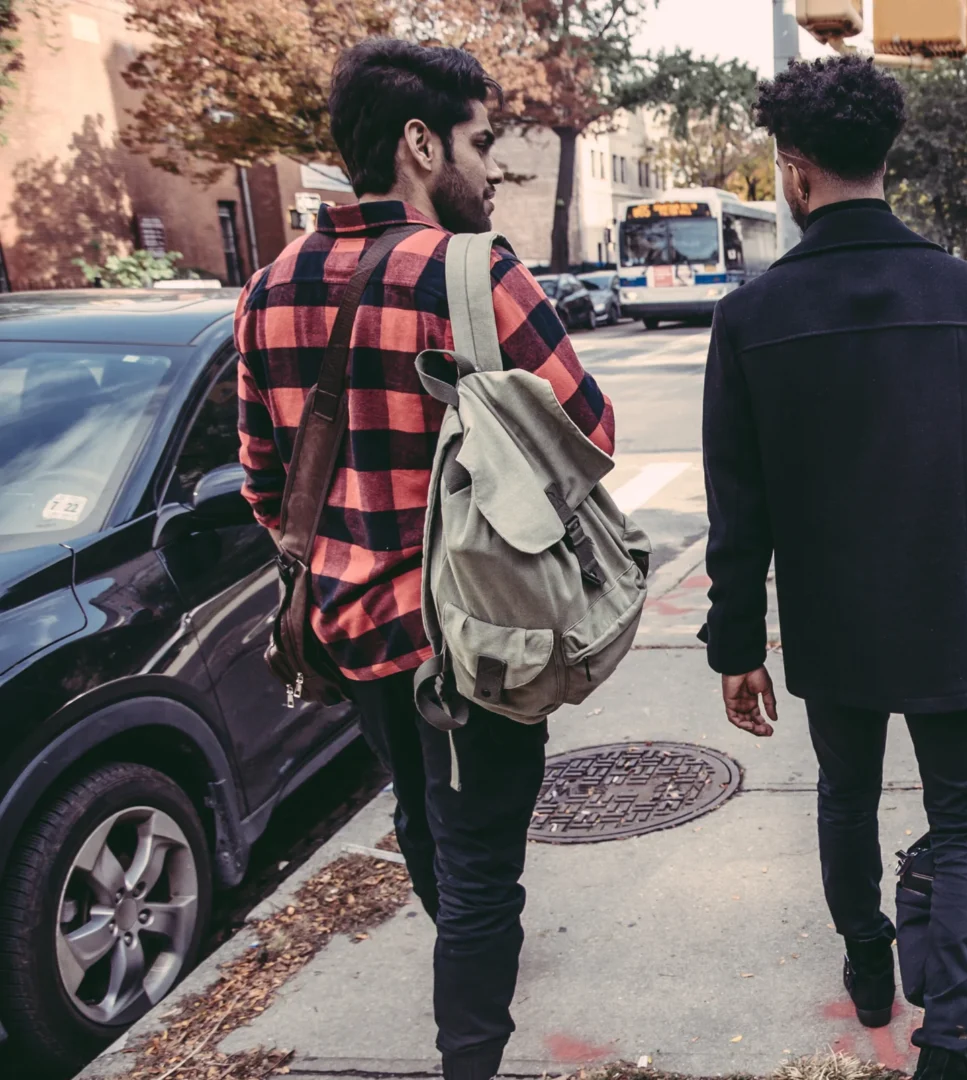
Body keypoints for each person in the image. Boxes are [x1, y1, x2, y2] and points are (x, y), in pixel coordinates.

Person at [233, 39, 615, 1080]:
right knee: (487, 864)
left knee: (417, 807)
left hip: (353, 635)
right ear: (418, 143)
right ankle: (470, 1052)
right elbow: (589, 432)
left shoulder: (266, 288)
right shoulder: (471, 269)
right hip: (478, 631)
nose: (488, 169)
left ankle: (466, 952)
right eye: (478, 143)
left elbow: (265, 486)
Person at [700, 57, 967, 1080]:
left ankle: (868, 958)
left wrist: (738, 646)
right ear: (884, 156)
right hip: (959, 621)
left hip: (833, 625)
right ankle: (950, 1039)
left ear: (794, 168)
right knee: (966, 824)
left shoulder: (751, 317)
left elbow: (741, 512)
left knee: (844, 796)